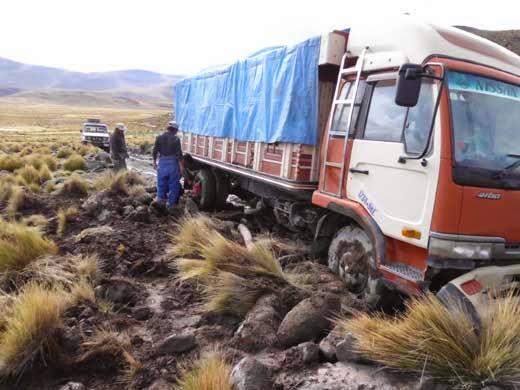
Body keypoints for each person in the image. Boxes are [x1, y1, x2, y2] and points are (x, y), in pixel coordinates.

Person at [152, 121, 183, 210]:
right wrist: (181, 167)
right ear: (175, 130)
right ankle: (171, 205)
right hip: (172, 164)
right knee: (174, 185)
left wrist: (154, 162)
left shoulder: (159, 137)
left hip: (162, 163)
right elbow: (178, 154)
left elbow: (155, 151)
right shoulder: (176, 139)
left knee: (161, 184)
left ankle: (160, 203)